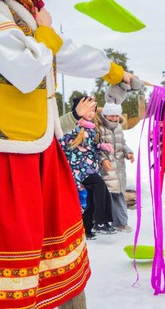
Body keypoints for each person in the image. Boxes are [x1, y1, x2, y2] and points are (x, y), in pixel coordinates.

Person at [0, 0, 141, 309]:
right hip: (6, 155)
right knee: (11, 265)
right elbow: (26, 71)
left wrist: (116, 72)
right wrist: (46, 33)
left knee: (61, 260)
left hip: (41, 150)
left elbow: (65, 53)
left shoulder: (24, 15)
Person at [60, 97, 117, 238]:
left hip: (89, 166)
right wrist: (70, 143)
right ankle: (101, 221)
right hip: (77, 168)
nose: (91, 113)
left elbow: (89, 146)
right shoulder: (72, 126)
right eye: (88, 110)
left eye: (93, 110)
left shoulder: (91, 127)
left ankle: (88, 229)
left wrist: (101, 146)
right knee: (99, 186)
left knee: (91, 199)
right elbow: (61, 143)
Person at [98, 102, 135, 232]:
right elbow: (97, 148)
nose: (114, 119)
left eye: (116, 116)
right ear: (105, 115)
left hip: (119, 167)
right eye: (111, 116)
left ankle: (120, 223)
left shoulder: (118, 128)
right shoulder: (100, 129)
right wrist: (103, 160)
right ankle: (115, 223)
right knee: (110, 196)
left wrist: (128, 152)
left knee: (118, 195)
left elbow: (122, 144)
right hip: (107, 169)